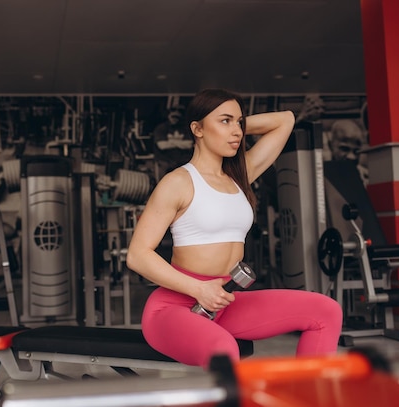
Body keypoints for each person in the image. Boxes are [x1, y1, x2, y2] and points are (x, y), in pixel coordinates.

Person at [126, 89, 342, 368]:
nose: (237, 131)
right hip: (176, 307)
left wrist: (232, 124)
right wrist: (199, 289)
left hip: (225, 303)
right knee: (225, 350)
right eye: (225, 121)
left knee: (326, 312)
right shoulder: (178, 182)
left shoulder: (240, 175)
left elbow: (285, 120)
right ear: (197, 129)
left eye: (239, 122)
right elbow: (138, 255)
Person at [153, 107, 193, 179]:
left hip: (183, 161)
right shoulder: (161, 128)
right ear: (168, 115)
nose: (175, 119)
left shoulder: (186, 128)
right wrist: (181, 143)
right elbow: (162, 146)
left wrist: (170, 142)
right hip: (164, 161)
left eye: (177, 117)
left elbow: (189, 144)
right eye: (173, 116)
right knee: (163, 183)